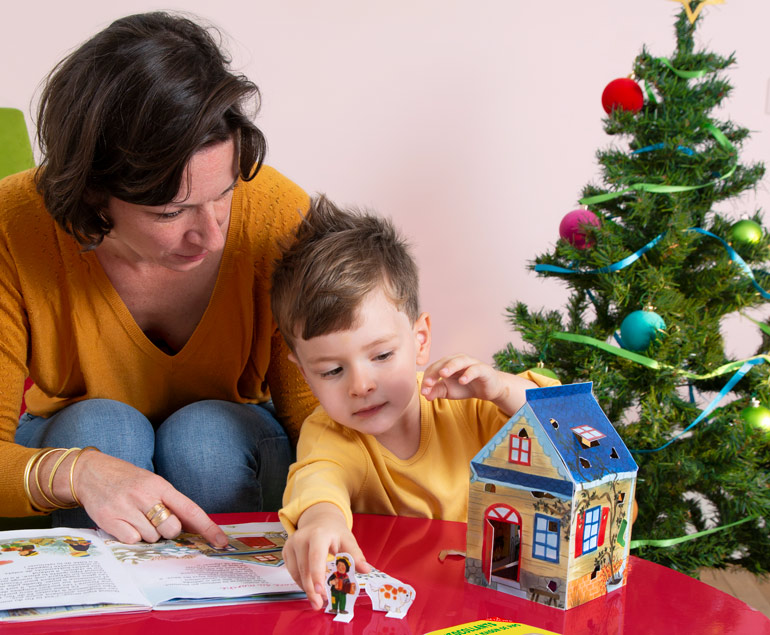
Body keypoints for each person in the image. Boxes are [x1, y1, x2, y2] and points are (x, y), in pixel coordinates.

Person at [0, 12, 317, 547]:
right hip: (78, 437)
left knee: (206, 440)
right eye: (172, 213)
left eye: (225, 195)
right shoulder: (14, 226)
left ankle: (229, 606)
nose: (213, 237)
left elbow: (316, 417)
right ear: (92, 196)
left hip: (236, 448)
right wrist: (80, 472)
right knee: (99, 433)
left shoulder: (278, 216)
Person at [270, 196, 559, 609]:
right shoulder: (331, 433)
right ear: (303, 373)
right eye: (332, 371)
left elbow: (570, 428)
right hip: (395, 611)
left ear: (419, 340)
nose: (360, 385)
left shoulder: (473, 405)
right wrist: (322, 519)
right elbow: (318, 480)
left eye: (382, 356)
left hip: (489, 604)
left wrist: (501, 389)